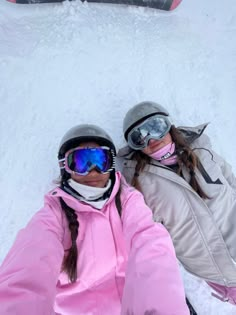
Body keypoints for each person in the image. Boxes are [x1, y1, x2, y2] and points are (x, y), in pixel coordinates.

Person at [0, 124, 189, 315]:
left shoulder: (127, 199)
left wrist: (162, 305)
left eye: (101, 160)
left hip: (136, 304)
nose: (93, 170)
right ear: (66, 167)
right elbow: (29, 267)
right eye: (82, 161)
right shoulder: (54, 215)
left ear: (112, 164)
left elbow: (150, 244)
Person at [118, 101, 236, 306]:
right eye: (140, 137)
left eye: (156, 127)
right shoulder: (139, 183)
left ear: (169, 126)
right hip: (217, 275)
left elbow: (229, 178)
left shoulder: (201, 150)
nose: (152, 139)